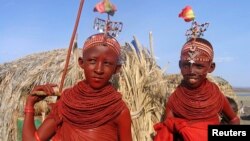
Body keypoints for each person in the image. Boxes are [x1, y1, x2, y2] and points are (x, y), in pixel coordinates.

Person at [22, 33, 132, 141]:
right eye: (92, 61)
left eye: (107, 63)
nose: (99, 70)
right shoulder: (66, 103)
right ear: (81, 62)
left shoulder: (118, 111)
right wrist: (30, 104)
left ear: (116, 69)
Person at [153, 37, 240, 141]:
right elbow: (167, 131)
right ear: (180, 65)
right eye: (186, 65)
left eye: (199, 66)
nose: (191, 71)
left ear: (211, 67)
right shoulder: (175, 99)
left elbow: (234, 119)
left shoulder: (216, 96)